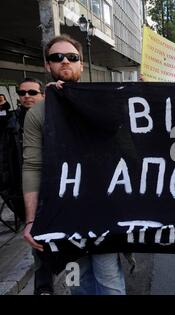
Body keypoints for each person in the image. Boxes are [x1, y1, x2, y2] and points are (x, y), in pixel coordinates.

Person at [22, 34, 126, 295]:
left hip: (104, 213)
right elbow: (32, 166)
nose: (64, 61)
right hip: (63, 217)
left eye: (72, 57)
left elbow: (130, 147)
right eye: (57, 58)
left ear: (81, 65)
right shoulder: (37, 113)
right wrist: (31, 220)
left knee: (109, 283)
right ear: (48, 66)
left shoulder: (104, 103)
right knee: (77, 284)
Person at [13, 78, 55, 295]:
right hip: (23, 191)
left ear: (43, 95)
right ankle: (44, 288)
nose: (26, 96)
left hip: (50, 191)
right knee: (38, 246)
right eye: (22, 93)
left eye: (32, 92)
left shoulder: (51, 116)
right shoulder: (11, 122)